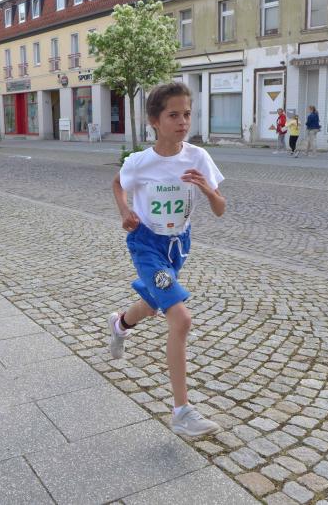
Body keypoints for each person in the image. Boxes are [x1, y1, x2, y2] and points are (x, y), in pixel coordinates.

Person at [110, 82, 226, 437]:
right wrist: (125, 210)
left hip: (178, 246)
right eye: (173, 115)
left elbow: (220, 209)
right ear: (154, 121)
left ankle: (120, 324)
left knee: (150, 304)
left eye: (187, 114)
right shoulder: (139, 163)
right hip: (146, 244)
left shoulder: (198, 157)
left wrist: (207, 190)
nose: (183, 122)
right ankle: (181, 412)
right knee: (181, 318)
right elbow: (117, 184)